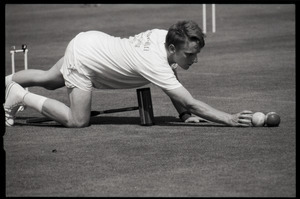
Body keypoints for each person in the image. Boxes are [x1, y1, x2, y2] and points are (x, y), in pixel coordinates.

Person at [4, 20, 253, 128]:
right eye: (189, 54)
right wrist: (229, 119)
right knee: (77, 121)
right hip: (86, 58)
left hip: (90, 41)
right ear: (172, 48)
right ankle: (18, 95)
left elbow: (173, 80)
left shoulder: (163, 35)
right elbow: (188, 99)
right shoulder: (155, 62)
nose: (194, 60)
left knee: (49, 80)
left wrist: (183, 115)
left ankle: (5, 83)